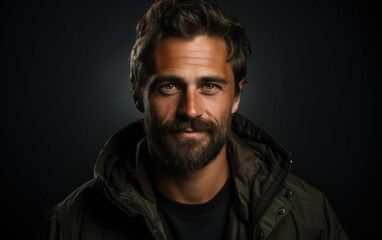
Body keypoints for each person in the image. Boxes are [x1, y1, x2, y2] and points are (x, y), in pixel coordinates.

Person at [38, 0, 349, 239]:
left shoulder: (308, 216)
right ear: (137, 93)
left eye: (210, 86)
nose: (190, 109)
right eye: (169, 86)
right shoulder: (70, 224)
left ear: (237, 96)